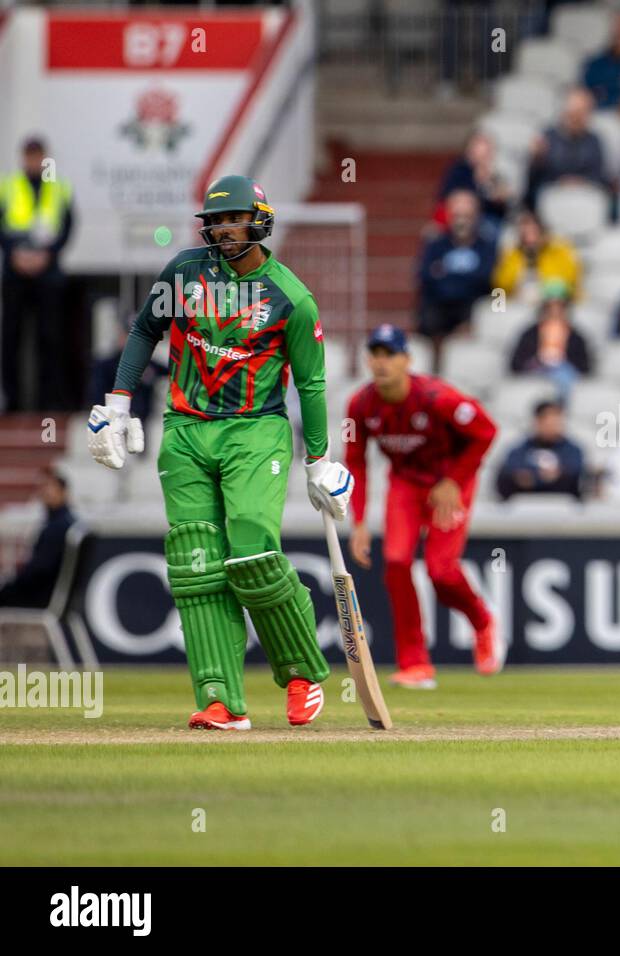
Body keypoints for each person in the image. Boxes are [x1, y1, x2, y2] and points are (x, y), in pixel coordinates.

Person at [85, 175, 356, 731]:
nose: (224, 229)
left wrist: (319, 461)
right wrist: (118, 403)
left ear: (259, 221)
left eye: (235, 219)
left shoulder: (292, 297)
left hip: (255, 431)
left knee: (252, 552)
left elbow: (311, 384)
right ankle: (221, 700)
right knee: (196, 565)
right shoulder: (184, 272)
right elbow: (144, 331)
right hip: (185, 429)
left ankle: (301, 672)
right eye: (216, 221)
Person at [344, 324, 502, 690]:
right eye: (375, 355)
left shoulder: (437, 397)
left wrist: (454, 481)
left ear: (407, 360)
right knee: (397, 563)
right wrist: (359, 521)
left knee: (441, 571)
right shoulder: (360, 405)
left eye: (390, 355)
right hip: (405, 483)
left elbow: (487, 431)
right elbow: (356, 461)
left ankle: (483, 622)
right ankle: (415, 664)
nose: (381, 363)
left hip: (449, 483)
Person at [0, 136, 75, 412]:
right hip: (15, 272)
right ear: (23, 158)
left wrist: (48, 255)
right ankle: (13, 403)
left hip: (48, 273)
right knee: (12, 337)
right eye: (30, 156)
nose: (34, 162)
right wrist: (15, 254)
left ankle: (48, 402)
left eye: (38, 156)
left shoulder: (59, 187)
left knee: (50, 337)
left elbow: (67, 227)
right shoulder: (9, 185)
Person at [416, 190, 497, 354]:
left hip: (471, 306)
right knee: (428, 313)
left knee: (489, 306)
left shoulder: (486, 246)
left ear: (476, 217)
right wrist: (465, 278)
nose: (461, 222)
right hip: (440, 305)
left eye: (467, 216)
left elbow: (486, 278)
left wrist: (445, 275)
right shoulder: (436, 245)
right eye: (457, 216)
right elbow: (425, 275)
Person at [0, 469, 76, 609]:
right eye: (42, 487)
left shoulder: (58, 527)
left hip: (44, 596)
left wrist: (11, 586)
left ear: (63, 491)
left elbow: (39, 571)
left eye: (49, 487)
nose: (44, 492)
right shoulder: (62, 522)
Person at [87, 325, 168, 452]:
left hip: (141, 412)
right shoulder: (107, 364)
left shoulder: (148, 362)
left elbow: (168, 370)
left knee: (139, 444)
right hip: (115, 412)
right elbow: (98, 388)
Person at [525, 87, 607, 210]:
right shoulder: (547, 137)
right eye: (573, 113)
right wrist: (536, 160)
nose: (576, 119)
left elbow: (599, 177)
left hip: (584, 200)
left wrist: (579, 182)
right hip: (551, 198)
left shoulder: (594, 141)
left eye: (581, 113)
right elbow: (534, 181)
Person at [509, 280, 592, 400]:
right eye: (550, 307)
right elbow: (516, 364)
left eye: (559, 307)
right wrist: (537, 361)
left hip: (564, 377)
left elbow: (585, 368)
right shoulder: (529, 334)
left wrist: (562, 363)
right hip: (535, 374)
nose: (555, 312)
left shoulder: (577, 337)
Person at [496, 400, 586, 501]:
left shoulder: (573, 451)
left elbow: (575, 478)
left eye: (557, 421)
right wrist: (547, 477)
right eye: (548, 421)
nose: (554, 426)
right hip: (526, 505)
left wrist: (534, 478)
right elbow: (511, 477)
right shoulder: (519, 451)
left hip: (562, 505)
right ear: (537, 421)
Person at [490, 209, 582, 306]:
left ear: (542, 232)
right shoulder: (512, 255)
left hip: (554, 304)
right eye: (525, 234)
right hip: (519, 304)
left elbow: (568, 280)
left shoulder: (558, 250)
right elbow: (500, 284)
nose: (530, 240)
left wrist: (544, 289)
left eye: (533, 233)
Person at [433, 130, 511, 233]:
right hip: (461, 219)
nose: (485, 158)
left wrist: (499, 197)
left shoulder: (495, 175)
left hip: (488, 221)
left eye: (488, 153)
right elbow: (449, 197)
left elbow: (502, 205)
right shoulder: (459, 171)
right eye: (482, 153)